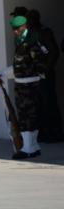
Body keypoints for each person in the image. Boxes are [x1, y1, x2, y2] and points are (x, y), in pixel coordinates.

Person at [7, 15, 47, 159]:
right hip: (22, 84)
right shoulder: (21, 41)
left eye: (17, 29)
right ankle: (33, 146)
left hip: (29, 86)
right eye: (13, 29)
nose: (15, 31)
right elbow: (20, 64)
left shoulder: (31, 42)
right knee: (27, 116)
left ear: (24, 27)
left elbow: (40, 63)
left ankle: (28, 148)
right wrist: (4, 73)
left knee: (27, 117)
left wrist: (34, 75)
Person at [27, 10, 62, 143]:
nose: (29, 22)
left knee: (49, 103)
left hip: (45, 74)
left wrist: (46, 69)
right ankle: (42, 132)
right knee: (37, 104)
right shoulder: (29, 34)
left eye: (31, 19)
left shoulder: (44, 32)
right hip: (34, 75)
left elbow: (54, 52)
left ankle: (54, 133)